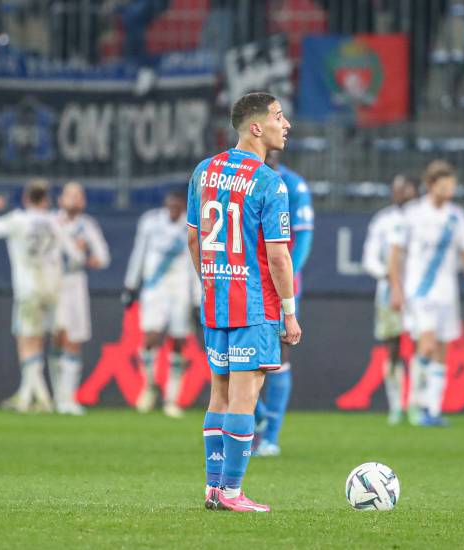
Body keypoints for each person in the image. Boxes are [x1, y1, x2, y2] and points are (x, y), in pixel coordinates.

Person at [187, 92, 301, 513]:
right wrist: (289, 311)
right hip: (255, 305)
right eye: (278, 116)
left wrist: (212, 283)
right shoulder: (271, 182)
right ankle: (232, 492)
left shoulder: (205, 171)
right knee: (244, 397)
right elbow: (277, 255)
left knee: (219, 394)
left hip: (216, 300)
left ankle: (214, 488)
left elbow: (194, 238)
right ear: (256, 127)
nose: (285, 124)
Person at [388, 160, 464, 427]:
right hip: (419, 291)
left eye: (453, 185)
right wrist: (396, 289)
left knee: (443, 350)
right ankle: (416, 402)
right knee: (428, 343)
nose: (450, 190)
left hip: (447, 293)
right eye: (445, 185)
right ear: (431, 185)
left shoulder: (456, 216)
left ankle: (432, 409)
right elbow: (395, 255)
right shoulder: (412, 214)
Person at [0, 180, 81, 414]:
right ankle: (30, 395)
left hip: (28, 289)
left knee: (28, 341)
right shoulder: (57, 222)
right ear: (47, 199)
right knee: (48, 339)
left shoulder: (17, 220)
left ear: (25, 198)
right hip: (54, 289)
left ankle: (41, 398)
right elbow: (75, 256)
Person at [251, 151, 314, 456]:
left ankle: (270, 436)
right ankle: (259, 418)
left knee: (279, 353)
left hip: (277, 283)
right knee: (237, 356)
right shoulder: (242, 181)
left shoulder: (293, 185)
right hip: (243, 280)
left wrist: (286, 280)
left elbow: (301, 240)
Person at [123, 188, 199, 419]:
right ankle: (149, 386)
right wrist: (130, 284)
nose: (174, 208)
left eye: (179, 205)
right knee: (151, 337)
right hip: (154, 288)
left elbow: (195, 263)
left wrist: (197, 299)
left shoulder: (191, 226)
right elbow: (139, 253)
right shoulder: (150, 222)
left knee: (178, 342)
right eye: (171, 204)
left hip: (179, 291)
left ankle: (171, 399)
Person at [362, 175, 419, 425]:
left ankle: (418, 404)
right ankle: (396, 405)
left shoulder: (423, 218)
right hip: (388, 291)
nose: (399, 193)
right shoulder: (383, 220)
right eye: (395, 188)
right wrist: (386, 274)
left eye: (404, 188)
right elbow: (370, 256)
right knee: (392, 348)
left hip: (419, 290)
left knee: (421, 347)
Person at [52, 182, 110, 415]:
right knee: (57, 337)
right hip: (52, 283)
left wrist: (87, 257)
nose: (74, 200)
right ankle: (57, 397)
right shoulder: (51, 222)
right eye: (70, 195)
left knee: (73, 339)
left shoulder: (87, 226)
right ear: (60, 199)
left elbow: (103, 257)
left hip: (74, 284)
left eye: (78, 195)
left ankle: (68, 398)